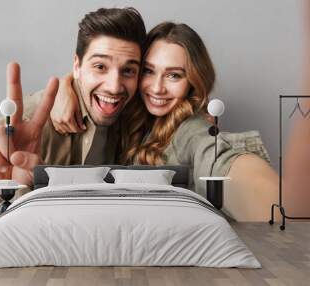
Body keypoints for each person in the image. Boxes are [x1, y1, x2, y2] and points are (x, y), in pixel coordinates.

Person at [51, 22, 279, 221]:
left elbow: (215, 155)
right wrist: (67, 85)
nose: (157, 88)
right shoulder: (128, 112)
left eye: (174, 75)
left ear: (193, 80)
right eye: (149, 71)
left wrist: (277, 208)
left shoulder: (191, 129)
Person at [0, 7, 146, 222]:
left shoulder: (140, 115)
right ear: (77, 66)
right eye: (100, 66)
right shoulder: (31, 118)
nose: (114, 87)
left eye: (128, 70)